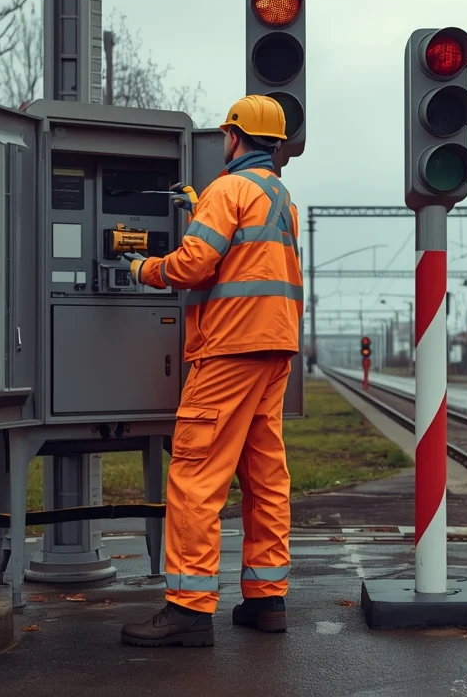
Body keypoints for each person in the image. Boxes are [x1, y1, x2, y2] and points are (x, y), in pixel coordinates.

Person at [119, 95, 303, 648]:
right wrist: (201, 209)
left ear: (234, 137)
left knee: (195, 475)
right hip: (275, 347)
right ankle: (267, 601)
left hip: (229, 349)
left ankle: (189, 609)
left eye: (226, 134)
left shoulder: (227, 191)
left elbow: (195, 264)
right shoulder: (281, 197)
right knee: (264, 476)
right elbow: (249, 256)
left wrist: (144, 268)